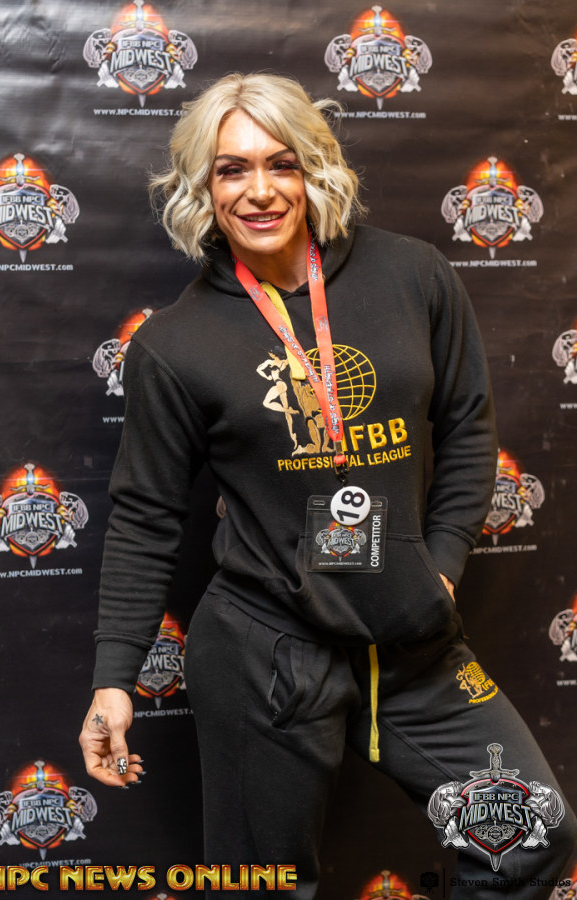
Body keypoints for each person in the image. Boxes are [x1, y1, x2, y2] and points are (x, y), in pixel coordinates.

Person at [79, 73, 576, 897]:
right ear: (203, 185)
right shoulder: (174, 343)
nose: (260, 190)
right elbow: (144, 518)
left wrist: (440, 569)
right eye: (232, 169)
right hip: (266, 649)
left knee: (531, 835)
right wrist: (113, 678)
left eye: (282, 163)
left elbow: (466, 431)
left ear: (315, 168)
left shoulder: (414, 276)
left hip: (411, 640)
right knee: (264, 886)